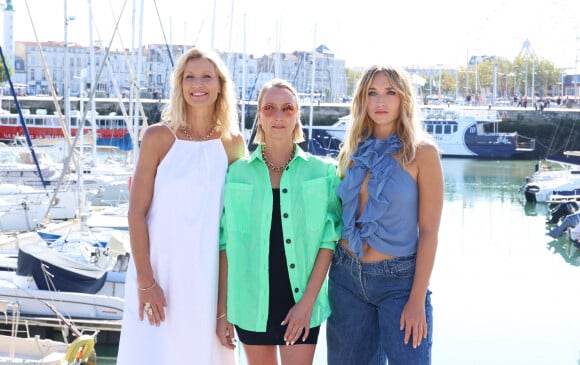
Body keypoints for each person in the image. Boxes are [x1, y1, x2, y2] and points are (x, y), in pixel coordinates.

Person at [116, 47, 246, 364]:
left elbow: (233, 229)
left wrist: (224, 309)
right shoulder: (158, 137)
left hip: (207, 277)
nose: (197, 84)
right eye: (190, 77)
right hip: (158, 272)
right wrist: (146, 283)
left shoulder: (233, 143)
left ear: (220, 85)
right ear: (180, 84)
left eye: (206, 76)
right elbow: (136, 213)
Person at [216, 78, 342, 365]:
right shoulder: (236, 175)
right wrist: (222, 312)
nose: (278, 116)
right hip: (250, 304)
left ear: (297, 114)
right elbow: (225, 245)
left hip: (302, 302)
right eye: (270, 108)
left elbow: (329, 240)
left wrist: (307, 305)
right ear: (259, 115)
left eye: (287, 109)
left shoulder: (323, 173)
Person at [326, 65, 444, 365]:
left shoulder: (423, 153)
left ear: (403, 98)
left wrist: (417, 299)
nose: (381, 101)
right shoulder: (353, 149)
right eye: (372, 93)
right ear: (362, 100)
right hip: (345, 278)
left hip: (400, 283)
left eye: (390, 92)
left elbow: (429, 231)